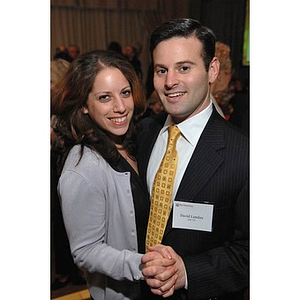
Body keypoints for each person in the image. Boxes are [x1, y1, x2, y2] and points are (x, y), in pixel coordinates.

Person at [137, 18, 249, 300]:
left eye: (184, 68)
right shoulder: (144, 133)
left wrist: (187, 271)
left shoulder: (245, 155)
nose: (170, 81)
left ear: (212, 70)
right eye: (161, 70)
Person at [51, 50, 176, 300]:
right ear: (85, 105)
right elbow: (86, 251)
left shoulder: (134, 142)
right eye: (105, 97)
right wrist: (145, 265)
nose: (120, 107)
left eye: (125, 93)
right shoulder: (83, 169)